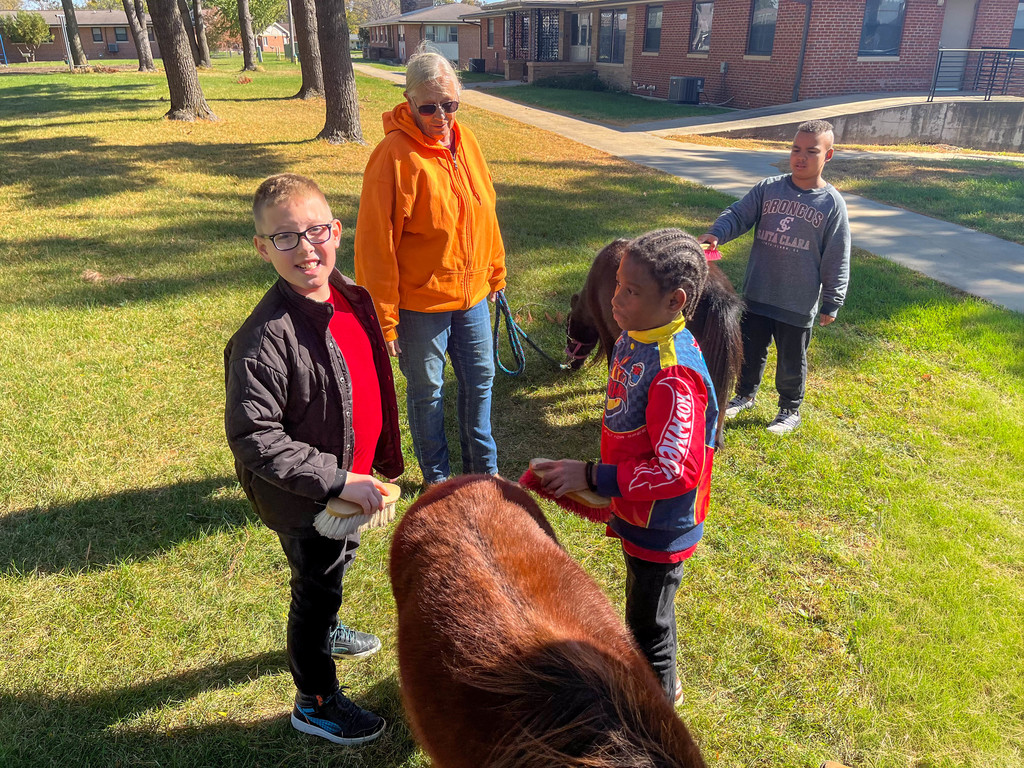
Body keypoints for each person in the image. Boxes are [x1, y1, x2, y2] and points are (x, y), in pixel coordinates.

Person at [224, 173, 404, 746]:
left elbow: (365, 379)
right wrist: (337, 480)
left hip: (350, 478)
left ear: (337, 231)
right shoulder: (263, 338)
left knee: (337, 563)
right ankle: (315, 699)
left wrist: (371, 464)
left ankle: (328, 627)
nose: (306, 248)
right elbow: (255, 436)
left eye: (316, 231)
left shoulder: (351, 296)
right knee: (316, 584)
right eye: (285, 238)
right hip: (306, 497)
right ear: (261, 247)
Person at [535, 229, 718, 706]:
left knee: (646, 624)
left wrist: (595, 476)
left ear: (674, 301)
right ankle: (664, 679)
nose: (614, 299)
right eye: (617, 283)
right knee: (646, 606)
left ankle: (657, 709)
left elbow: (677, 470)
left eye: (630, 291)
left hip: (662, 525)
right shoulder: (635, 336)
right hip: (638, 513)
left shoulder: (673, 373)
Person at [355, 45, 506, 486]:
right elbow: (374, 246)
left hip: (473, 294)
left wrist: (495, 270)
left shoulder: (468, 141)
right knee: (429, 392)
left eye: (450, 104)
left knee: (480, 380)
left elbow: (486, 210)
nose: (441, 115)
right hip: (420, 303)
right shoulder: (393, 157)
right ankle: (437, 482)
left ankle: (485, 475)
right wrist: (383, 320)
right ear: (408, 102)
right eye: (429, 106)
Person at [698, 119, 851, 435]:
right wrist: (717, 233)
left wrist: (832, 300)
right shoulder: (769, 188)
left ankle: (789, 409)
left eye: (812, 151)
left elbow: (837, 254)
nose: (801, 157)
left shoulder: (831, 204)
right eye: (796, 149)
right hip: (758, 292)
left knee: (791, 361)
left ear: (829, 155)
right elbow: (739, 214)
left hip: (796, 302)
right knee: (750, 350)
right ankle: (745, 395)